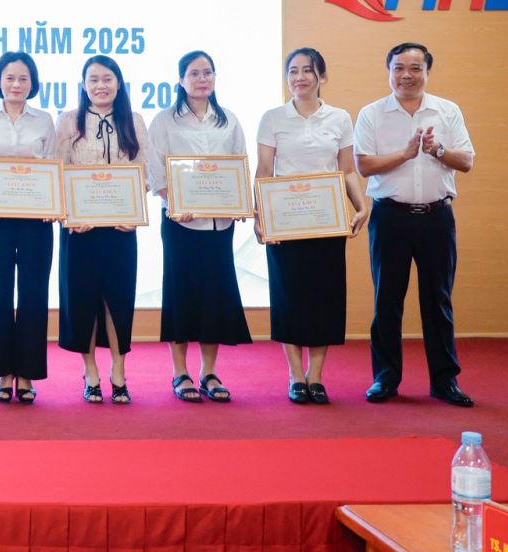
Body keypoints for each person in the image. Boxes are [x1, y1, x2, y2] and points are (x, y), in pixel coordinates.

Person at [354, 42, 476, 407]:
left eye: (415, 68)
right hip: (389, 217)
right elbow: (364, 165)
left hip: (437, 218)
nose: (406, 75)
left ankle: (444, 381)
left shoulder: (447, 111)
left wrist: (437, 150)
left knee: (438, 301)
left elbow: (466, 161)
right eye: (399, 68)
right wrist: (406, 154)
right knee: (387, 300)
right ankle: (385, 378)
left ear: (427, 72)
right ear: (389, 71)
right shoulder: (372, 114)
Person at [254, 48, 366, 405]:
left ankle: (315, 375)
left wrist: (361, 206)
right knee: (288, 298)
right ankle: (295, 375)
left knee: (324, 298)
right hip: (284, 222)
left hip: (326, 221)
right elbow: (264, 171)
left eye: (307, 70)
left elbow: (347, 170)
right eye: (293, 71)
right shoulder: (273, 118)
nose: (299, 77)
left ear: (322, 76)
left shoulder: (340, 118)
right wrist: (260, 217)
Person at [148, 50, 252, 403]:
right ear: (181, 80)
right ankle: (180, 372)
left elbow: (239, 164)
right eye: (194, 73)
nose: (202, 79)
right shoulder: (165, 120)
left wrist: (239, 202)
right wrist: (175, 202)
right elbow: (155, 170)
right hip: (180, 224)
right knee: (181, 295)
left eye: (208, 72)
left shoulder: (229, 120)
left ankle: (209, 371)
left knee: (214, 296)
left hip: (220, 225)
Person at [54, 55, 151, 406]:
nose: (100, 85)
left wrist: (135, 213)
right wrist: (69, 216)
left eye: (107, 78)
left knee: (118, 300)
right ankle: (91, 372)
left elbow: (144, 172)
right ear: (83, 85)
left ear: (119, 83)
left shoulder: (134, 121)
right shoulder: (68, 121)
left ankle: (119, 371)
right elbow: (58, 171)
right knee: (83, 300)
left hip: (121, 228)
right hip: (81, 229)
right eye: (93, 79)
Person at [0, 50, 57, 404]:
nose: (16, 84)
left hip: (36, 220)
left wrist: (52, 204)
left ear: (32, 83)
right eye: (9, 78)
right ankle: (4, 372)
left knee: (34, 294)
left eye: (23, 78)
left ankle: (28, 373)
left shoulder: (45, 120)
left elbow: (53, 165)